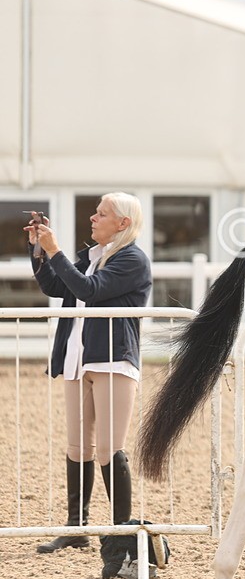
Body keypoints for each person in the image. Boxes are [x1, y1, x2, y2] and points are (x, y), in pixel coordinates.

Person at [26, 194, 152, 553]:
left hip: (112, 359)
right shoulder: (92, 256)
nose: (93, 218)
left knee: (110, 448)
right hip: (77, 359)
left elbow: (89, 290)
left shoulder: (132, 259)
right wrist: (39, 249)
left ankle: (121, 531)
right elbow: (55, 286)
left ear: (123, 223)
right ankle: (76, 527)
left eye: (101, 214)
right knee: (78, 446)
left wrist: (56, 250)